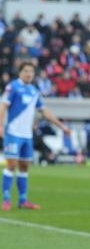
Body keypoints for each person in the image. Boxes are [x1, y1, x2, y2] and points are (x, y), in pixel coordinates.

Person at [1, 61, 71, 211]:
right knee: (11, 164)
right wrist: (0, 125)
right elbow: (3, 105)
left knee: (25, 166)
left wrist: (62, 126)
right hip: (13, 133)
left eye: (31, 71)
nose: (28, 74)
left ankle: (23, 200)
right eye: (26, 71)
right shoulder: (13, 87)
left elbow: (45, 111)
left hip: (27, 135)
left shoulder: (34, 91)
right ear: (20, 72)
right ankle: (6, 199)